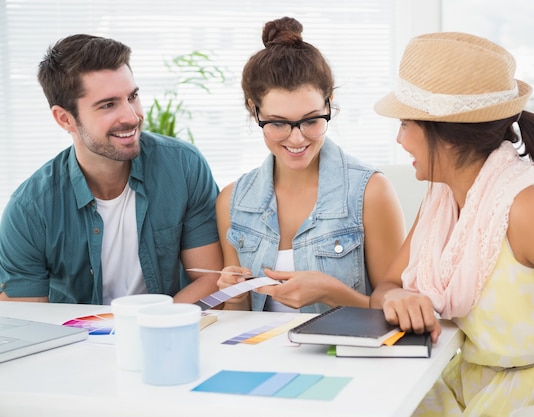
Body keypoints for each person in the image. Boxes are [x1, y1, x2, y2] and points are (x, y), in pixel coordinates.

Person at [370, 32, 534, 416]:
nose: (399, 138)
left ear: (448, 133)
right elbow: (385, 288)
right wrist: (397, 297)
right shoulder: (441, 199)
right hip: (469, 384)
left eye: (406, 124)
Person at [0, 34, 223, 305]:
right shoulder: (30, 209)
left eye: (133, 96)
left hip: (164, 334)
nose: (131, 116)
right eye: (108, 105)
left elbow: (211, 278)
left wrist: (146, 330)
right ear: (65, 118)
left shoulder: (183, 165)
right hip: (78, 343)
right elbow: (29, 320)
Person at [214, 17, 405, 313]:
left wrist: (331, 293)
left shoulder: (370, 192)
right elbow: (236, 326)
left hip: (341, 359)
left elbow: (395, 312)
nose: (297, 138)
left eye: (311, 120)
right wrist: (235, 297)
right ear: (255, 111)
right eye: (278, 123)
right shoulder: (232, 201)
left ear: (329, 104)